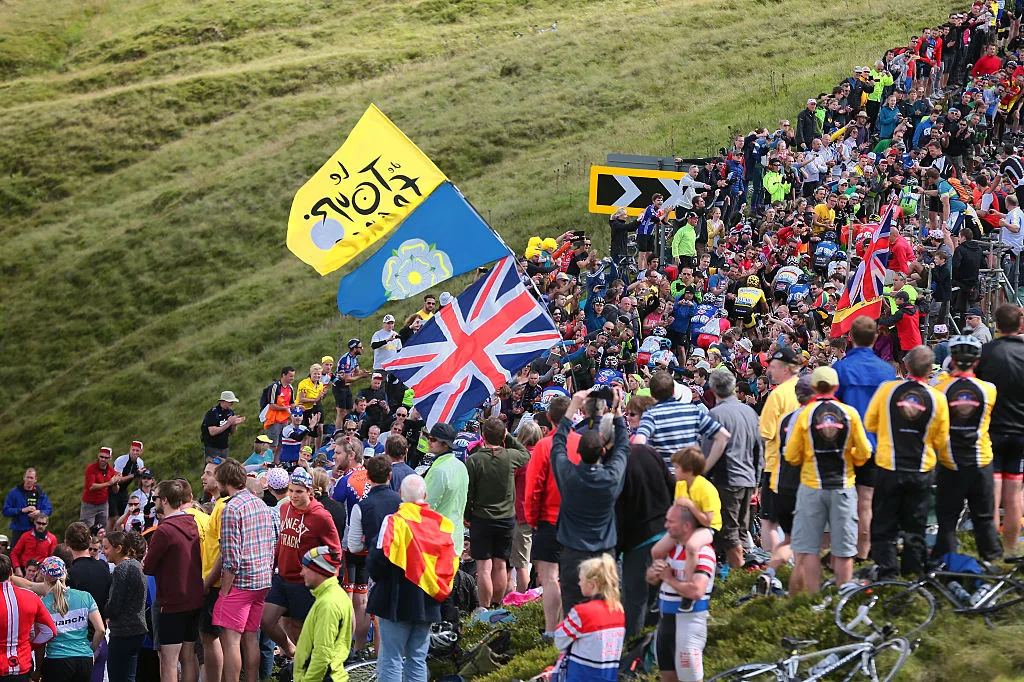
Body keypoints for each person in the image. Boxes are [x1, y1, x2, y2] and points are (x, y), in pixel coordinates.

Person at [784, 366, 871, 593]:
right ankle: (843, 595)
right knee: (844, 549)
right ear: (836, 386)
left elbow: (791, 456)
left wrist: (808, 456)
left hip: (811, 486)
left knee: (810, 548)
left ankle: (814, 596)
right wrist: (849, 456)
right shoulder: (849, 413)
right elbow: (864, 452)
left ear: (814, 387)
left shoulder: (804, 414)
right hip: (843, 486)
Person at [865, 345, 950, 579]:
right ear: (930, 370)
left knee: (884, 523)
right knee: (915, 523)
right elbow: (941, 439)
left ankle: (888, 572)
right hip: (920, 469)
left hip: (889, 466)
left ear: (907, 365)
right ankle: (913, 572)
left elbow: (870, 424)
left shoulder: (887, 390)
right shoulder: (937, 398)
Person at [367, 474, 455, 682]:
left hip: (395, 599)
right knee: (417, 659)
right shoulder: (442, 525)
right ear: (425, 495)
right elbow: (450, 563)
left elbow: (378, 560)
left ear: (400, 494)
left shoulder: (394, 522)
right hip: (427, 601)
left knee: (391, 659)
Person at [550, 388, 629, 614]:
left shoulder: (568, 475)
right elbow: (623, 446)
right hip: (604, 554)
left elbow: (558, 444)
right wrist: (617, 411)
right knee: (607, 609)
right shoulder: (611, 477)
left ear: (579, 451)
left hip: (574, 554)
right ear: (602, 451)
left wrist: (572, 408)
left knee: (574, 612)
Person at [931, 335, 1002, 562]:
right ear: (977, 361)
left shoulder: (940, 389)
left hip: (950, 461)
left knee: (947, 518)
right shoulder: (989, 389)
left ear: (952, 360)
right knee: (984, 516)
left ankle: (946, 562)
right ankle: (991, 560)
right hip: (981, 459)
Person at [833, 317, 897, 562]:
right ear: (875, 338)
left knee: (844, 502)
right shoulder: (887, 370)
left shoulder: (841, 369)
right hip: (877, 445)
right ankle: (863, 552)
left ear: (850, 337)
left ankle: (845, 553)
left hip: (847, 446)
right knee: (867, 501)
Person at [213, 458, 277, 682]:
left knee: (231, 641)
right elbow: (272, 543)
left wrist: (224, 591)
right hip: (262, 580)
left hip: (241, 582)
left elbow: (231, 557)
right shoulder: (261, 504)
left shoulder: (231, 509)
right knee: (251, 637)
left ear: (225, 481)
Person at [523, 395, 578, 637]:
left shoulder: (545, 445)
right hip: (578, 521)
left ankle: (550, 631)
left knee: (550, 578)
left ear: (548, 417)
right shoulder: (583, 442)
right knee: (571, 578)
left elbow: (533, 488)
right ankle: (567, 627)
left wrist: (533, 520)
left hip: (549, 521)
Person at [142, 479, 204, 682]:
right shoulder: (192, 522)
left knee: (168, 662)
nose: (154, 502)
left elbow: (148, 567)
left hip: (172, 601)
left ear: (165, 500)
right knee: (188, 657)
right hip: (194, 597)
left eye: (156, 498)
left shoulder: (164, 530)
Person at [465, 417, 530, 608]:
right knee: (501, 563)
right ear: (502, 436)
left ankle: (484, 607)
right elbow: (525, 454)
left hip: (481, 518)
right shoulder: (510, 456)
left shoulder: (474, 460)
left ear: (483, 436)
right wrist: (507, 437)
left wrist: (467, 515)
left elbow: (469, 493)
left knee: (484, 567)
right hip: (506, 518)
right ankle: (496, 605)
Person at [647, 505, 715, 682]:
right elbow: (651, 579)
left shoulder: (703, 552)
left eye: (671, 522)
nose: (666, 525)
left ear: (686, 526)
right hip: (665, 625)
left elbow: (696, 591)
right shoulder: (670, 549)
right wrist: (654, 573)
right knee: (667, 677)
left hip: (689, 628)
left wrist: (669, 578)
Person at [977, 304, 1024, 557]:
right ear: (1020, 324)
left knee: (992, 497)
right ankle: (1011, 551)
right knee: (1014, 497)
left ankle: (991, 554)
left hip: (992, 432)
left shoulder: (986, 352)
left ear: (996, 324)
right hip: (1020, 434)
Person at [704, 369, 762, 568]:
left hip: (727, 479)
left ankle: (737, 573)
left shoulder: (715, 414)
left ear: (713, 389)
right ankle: (745, 571)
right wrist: (756, 480)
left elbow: (708, 450)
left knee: (728, 532)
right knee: (741, 530)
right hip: (747, 478)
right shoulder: (749, 411)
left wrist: (702, 474)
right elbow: (759, 449)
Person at [633, 371, 731, 470]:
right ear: (673, 391)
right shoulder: (693, 411)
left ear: (651, 393)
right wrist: (705, 467)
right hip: (688, 475)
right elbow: (723, 436)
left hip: (662, 475)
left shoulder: (651, 414)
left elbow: (638, 442)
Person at [758, 346, 803, 556]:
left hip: (776, 466)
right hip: (802, 466)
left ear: (785, 369)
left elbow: (765, 434)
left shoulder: (777, 395)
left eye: (773, 366)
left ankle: (774, 565)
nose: (770, 371)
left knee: (769, 521)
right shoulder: (805, 390)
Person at [552, 554, 625, 682]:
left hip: (580, 676)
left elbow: (559, 641)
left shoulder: (582, 612)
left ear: (591, 584)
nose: (579, 583)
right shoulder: (618, 610)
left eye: (581, 580)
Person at [291, 546, 353, 682]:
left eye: (305, 568)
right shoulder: (335, 594)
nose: (301, 573)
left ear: (318, 570)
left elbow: (322, 653)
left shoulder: (328, 604)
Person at [38, 556, 105, 682]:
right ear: (66, 572)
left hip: (57, 660)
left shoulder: (42, 604)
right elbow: (100, 630)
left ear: (44, 576)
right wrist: (90, 651)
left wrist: (38, 669)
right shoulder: (85, 596)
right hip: (83, 659)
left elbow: (41, 640)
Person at [0, 552, 56, 680]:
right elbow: (49, 631)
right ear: (11, 572)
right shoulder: (31, 597)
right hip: (22, 664)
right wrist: (29, 645)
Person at [103, 531, 148, 682]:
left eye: (106, 548)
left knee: (117, 676)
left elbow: (114, 605)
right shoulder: (136, 564)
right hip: (138, 630)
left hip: (123, 632)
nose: (103, 552)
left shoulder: (121, 569)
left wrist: (103, 609)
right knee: (130, 677)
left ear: (118, 548)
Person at [422, 422, 469, 549]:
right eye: (428, 438)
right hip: (455, 539)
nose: (429, 442)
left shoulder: (439, 470)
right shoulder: (461, 466)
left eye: (433, 439)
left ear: (445, 444)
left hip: (438, 541)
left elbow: (427, 507)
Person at [64, 522, 111, 621]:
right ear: (90, 539)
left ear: (66, 543)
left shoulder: (69, 575)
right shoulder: (103, 566)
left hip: (80, 627)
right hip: (102, 623)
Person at [3, 468, 53, 547]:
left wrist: (39, 512)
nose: (29, 480)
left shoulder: (40, 493)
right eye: (27, 477)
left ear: (35, 479)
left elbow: (49, 510)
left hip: (35, 530)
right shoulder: (14, 492)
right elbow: (5, 511)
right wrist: (22, 510)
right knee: (15, 552)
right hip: (19, 530)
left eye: (31, 478)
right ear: (24, 478)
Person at [80, 447, 123, 529]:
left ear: (110, 458)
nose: (103, 459)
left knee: (101, 529)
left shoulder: (111, 470)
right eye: (101, 457)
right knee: (87, 528)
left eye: (106, 458)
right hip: (89, 504)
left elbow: (116, 490)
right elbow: (91, 486)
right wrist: (109, 483)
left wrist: (115, 482)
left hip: (103, 504)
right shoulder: (91, 468)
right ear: (98, 456)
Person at [262, 367, 297, 461]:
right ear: (283, 375)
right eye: (290, 376)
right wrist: (285, 408)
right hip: (274, 420)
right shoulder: (275, 387)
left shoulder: (290, 388)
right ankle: (267, 462)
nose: (292, 378)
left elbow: (291, 403)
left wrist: (298, 406)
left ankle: (275, 462)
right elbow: (272, 405)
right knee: (272, 445)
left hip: (284, 420)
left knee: (281, 444)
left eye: (293, 376)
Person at [334, 340, 371, 428]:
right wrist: (361, 376)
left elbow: (357, 371)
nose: (362, 348)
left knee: (350, 410)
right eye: (360, 347)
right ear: (354, 349)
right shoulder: (346, 360)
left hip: (347, 387)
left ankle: (349, 428)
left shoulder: (354, 358)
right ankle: (338, 431)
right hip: (339, 387)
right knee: (341, 412)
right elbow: (347, 379)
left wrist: (364, 373)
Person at [202, 391, 245, 461]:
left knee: (224, 467)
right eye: (230, 401)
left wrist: (234, 424)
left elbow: (232, 432)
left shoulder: (230, 412)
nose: (232, 403)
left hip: (224, 447)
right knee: (213, 466)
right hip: (212, 447)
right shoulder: (212, 413)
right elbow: (212, 432)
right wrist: (228, 423)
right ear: (223, 401)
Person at [110, 441, 145, 523]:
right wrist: (134, 475)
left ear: (141, 451)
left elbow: (136, 482)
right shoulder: (121, 460)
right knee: (112, 517)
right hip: (112, 488)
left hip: (124, 489)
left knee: (123, 515)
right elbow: (117, 480)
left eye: (137, 450)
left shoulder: (140, 463)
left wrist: (139, 476)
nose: (134, 452)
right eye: (133, 450)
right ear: (130, 449)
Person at [11, 513, 55, 578]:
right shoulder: (25, 536)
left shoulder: (52, 538)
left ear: (47, 524)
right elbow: (14, 553)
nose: (41, 526)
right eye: (38, 523)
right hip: (24, 570)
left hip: (41, 572)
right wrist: (17, 567)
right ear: (34, 522)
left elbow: (52, 558)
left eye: (43, 524)